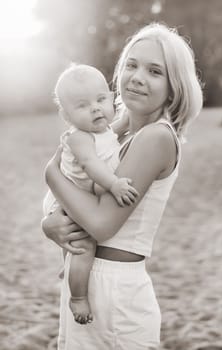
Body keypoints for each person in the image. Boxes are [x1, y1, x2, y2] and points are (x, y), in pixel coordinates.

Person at [42, 22, 203, 350]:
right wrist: (49, 226)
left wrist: (51, 174)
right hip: (85, 282)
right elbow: (76, 194)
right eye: (132, 64)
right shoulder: (114, 132)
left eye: (155, 71)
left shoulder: (156, 137)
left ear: (174, 87)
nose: (138, 77)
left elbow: (100, 224)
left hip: (117, 293)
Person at [43, 64, 139, 325]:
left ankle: (71, 267)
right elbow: (91, 165)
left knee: (75, 250)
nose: (95, 108)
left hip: (78, 192)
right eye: (83, 105)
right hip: (66, 198)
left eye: (100, 99)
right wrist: (114, 184)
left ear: (110, 98)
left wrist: (130, 118)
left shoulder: (103, 129)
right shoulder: (78, 138)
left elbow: (116, 129)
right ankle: (78, 298)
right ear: (66, 116)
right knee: (85, 246)